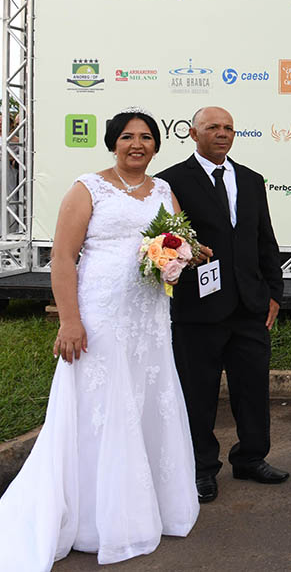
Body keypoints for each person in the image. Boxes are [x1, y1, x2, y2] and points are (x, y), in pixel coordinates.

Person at [0, 110, 198, 568]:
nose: (137, 144)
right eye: (128, 136)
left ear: (156, 146)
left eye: (146, 137)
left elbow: (175, 240)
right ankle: (94, 517)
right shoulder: (88, 188)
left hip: (149, 316)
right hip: (100, 315)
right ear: (113, 142)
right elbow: (64, 259)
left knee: (146, 398)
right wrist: (70, 320)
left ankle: (152, 506)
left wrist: (182, 254)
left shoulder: (164, 191)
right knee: (101, 405)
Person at [157, 106, 288, 505]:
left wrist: (274, 291)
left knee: (252, 388)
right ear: (193, 133)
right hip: (198, 308)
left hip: (249, 304)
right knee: (198, 392)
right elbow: (164, 243)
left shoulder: (249, 180)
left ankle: (250, 458)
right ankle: (201, 468)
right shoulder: (170, 182)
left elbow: (264, 237)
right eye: (213, 127)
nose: (222, 133)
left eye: (229, 128)